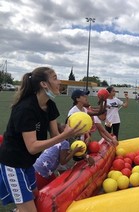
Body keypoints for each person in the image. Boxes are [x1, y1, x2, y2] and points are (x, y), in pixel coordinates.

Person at [0, 67, 84, 212]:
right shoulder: (25, 108)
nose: (59, 82)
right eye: (55, 78)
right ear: (44, 84)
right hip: (13, 164)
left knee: (34, 195)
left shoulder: (50, 105)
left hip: (28, 163)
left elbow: (55, 135)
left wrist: (71, 131)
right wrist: (64, 136)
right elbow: (32, 146)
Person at [33, 123, 94, 190]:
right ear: (62, 132)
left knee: (54, 185)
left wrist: (84, 155)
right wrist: (74, 151)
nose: (68, 127)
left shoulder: (56, 139)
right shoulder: (65, 143)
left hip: (40, 168)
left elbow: (65, 153)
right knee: (42, 192)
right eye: (64, 127)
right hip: (42, 172)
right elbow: (63, 161)